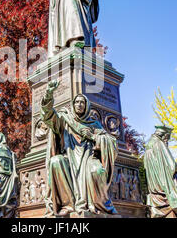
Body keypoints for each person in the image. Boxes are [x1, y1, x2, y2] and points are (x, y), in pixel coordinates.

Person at [40, 80, 118, 216]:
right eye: (77, 102)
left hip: (88, 158)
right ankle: (68, 204)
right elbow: (48, 116)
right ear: (73, 104)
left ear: (87, 106)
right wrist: (48, 94)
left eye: (82, 102)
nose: (79, 104)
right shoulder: (64, 120)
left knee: (97, 170)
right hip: (69, 158)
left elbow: (110, 141)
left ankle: (97, 206)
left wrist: (93, 137)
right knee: (55, 162)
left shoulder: (93, 123)